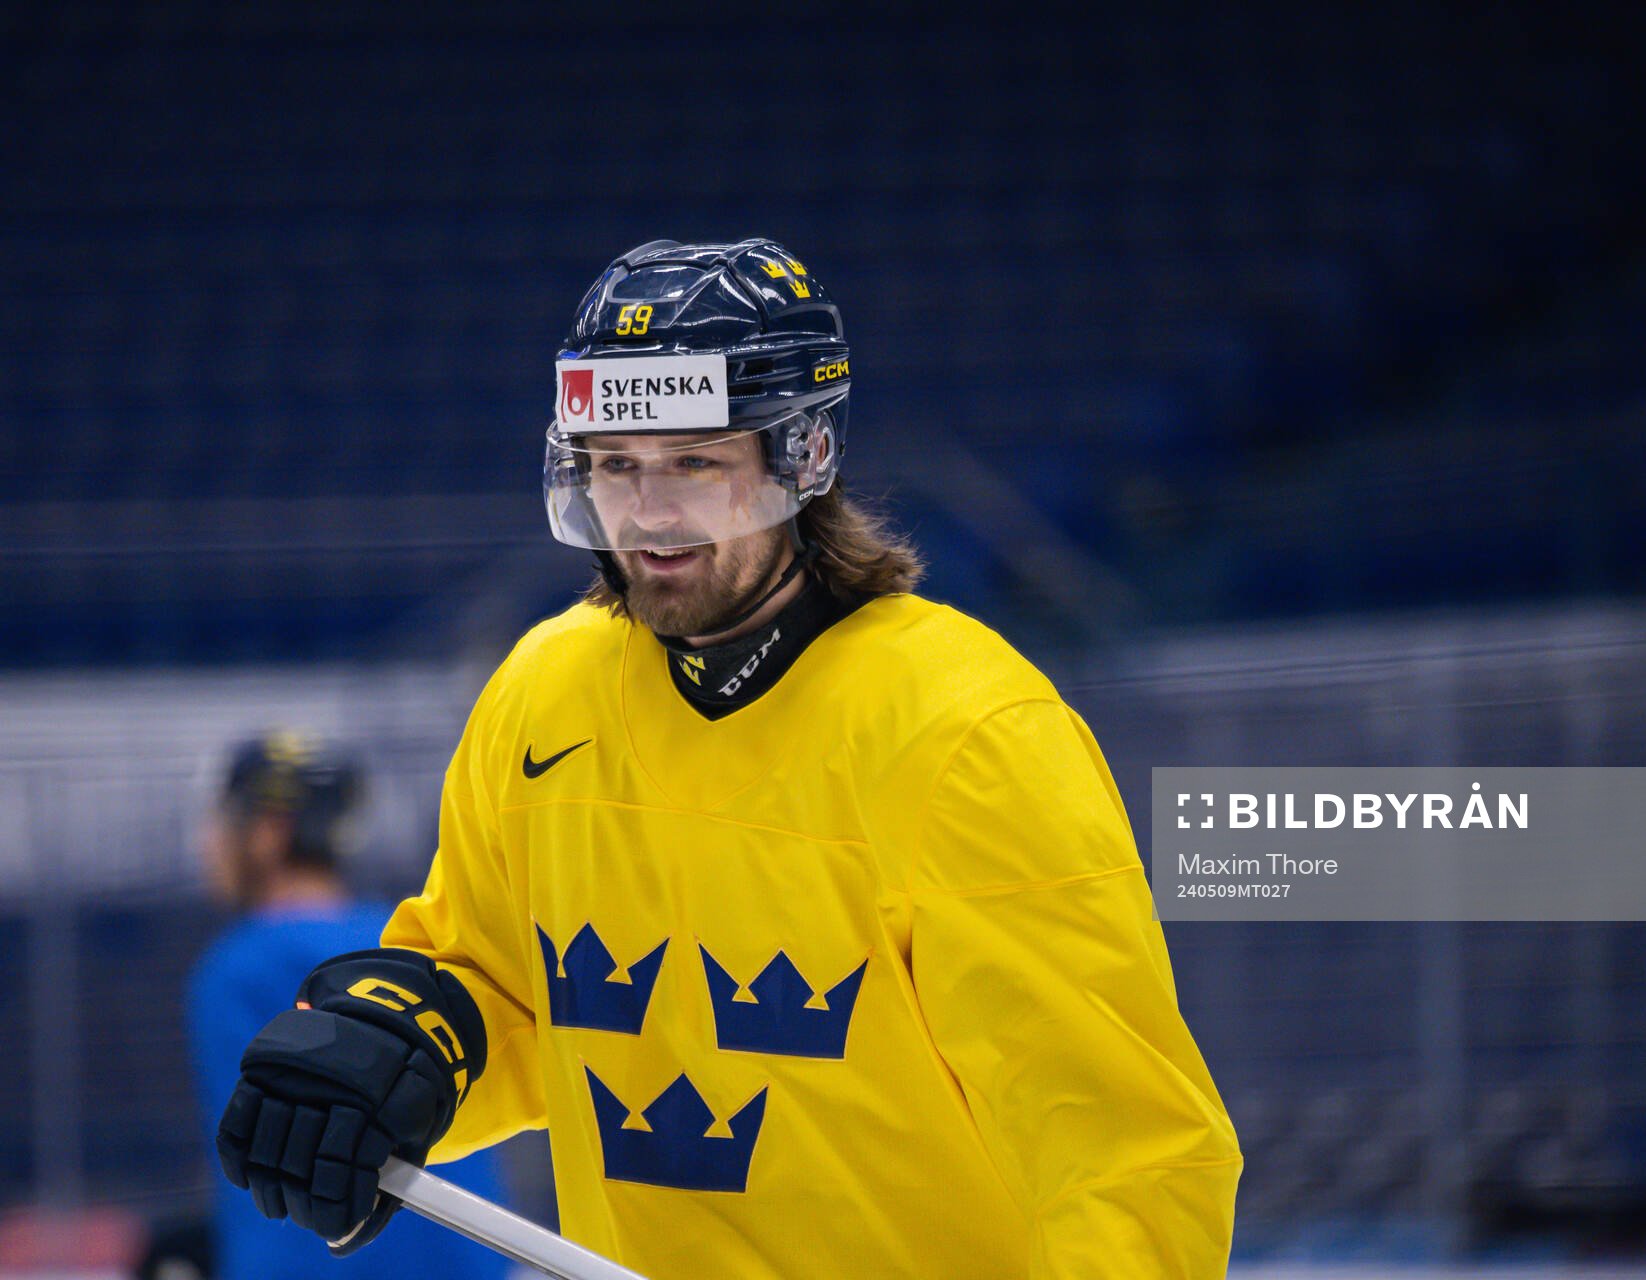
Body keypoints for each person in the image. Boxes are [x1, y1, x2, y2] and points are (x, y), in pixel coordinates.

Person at [214, 239, 1241, 1278]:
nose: (650, 513)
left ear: (804, 457)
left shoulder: (967, 731)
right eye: (616, 464)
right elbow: (505, 985)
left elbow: (1126, 1146)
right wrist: (404, 1052)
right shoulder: (542, 692)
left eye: (695, 462)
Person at [186, 730, 512, 1280]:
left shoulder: (235, 968)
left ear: (269, 832)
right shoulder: (405, 946)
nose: (207, 844)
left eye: (221, 822)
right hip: (471, 1256)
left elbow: (261, 1166)